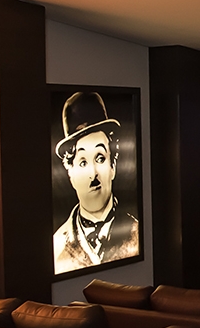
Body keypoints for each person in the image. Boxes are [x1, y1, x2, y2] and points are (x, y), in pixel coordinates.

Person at [53, 91, 139, 274]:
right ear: (70, 173)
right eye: (83, 162)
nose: (93, 174)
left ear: (113, 165)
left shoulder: (138, 235)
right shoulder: (56, 247)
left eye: (100, 158)